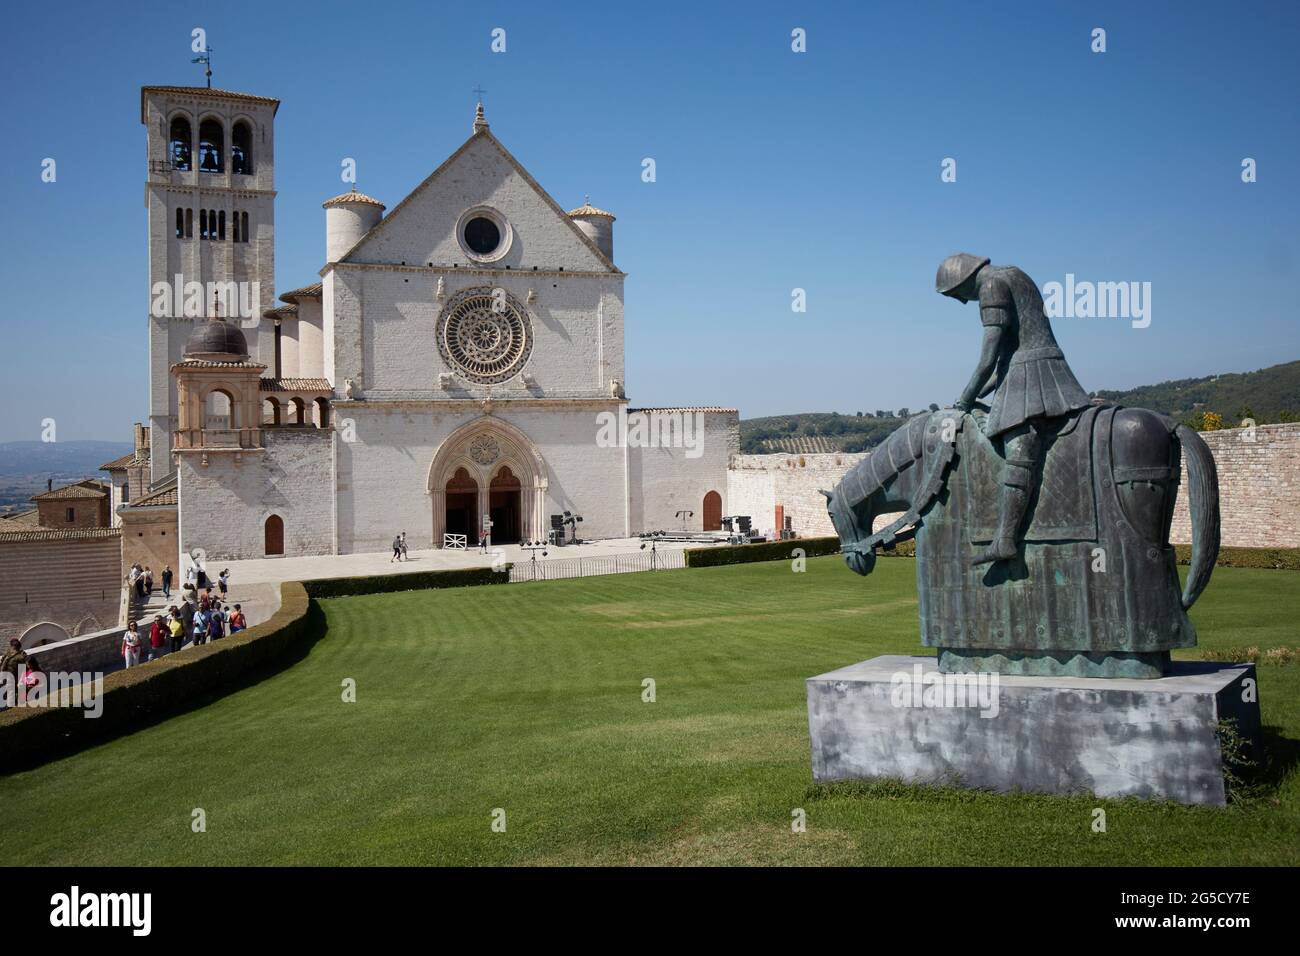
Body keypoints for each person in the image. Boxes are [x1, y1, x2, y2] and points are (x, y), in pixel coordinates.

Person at [936, 253, 1092, 565]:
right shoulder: (1012, 273)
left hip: (1032, 374)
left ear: (963, 280)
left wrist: (965, 400)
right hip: (1029, 370)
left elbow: (989, 358)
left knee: (1019, 448)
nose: (961, 302)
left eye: (955, 295)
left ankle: (1005, 538)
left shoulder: (991, 286)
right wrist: (974, 395)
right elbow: (1002, 367)